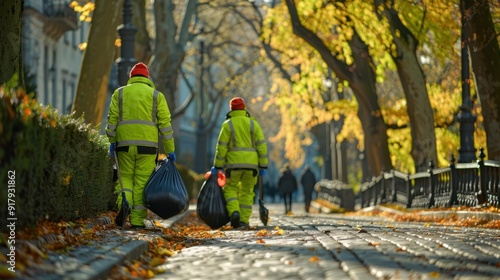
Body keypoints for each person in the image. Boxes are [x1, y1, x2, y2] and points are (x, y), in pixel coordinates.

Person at [106, 62, 175, 229]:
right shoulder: (156, 96)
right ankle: (137, 221)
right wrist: (170, 150)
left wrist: (112, 140)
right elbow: (165, 125)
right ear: (147, 78)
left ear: (131, 77)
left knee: (126, 179)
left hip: (124, 145)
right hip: (148, 147)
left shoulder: (120, 93)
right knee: (142, 182)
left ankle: (125, 205)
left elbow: (112, 119)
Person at [211, 97, 268, 229]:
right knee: (247, 192)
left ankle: (234, 212)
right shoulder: (253, 124)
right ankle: (243, 220)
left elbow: (221, 147)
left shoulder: (228, 124)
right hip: (252, 166)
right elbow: (262, 145)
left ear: (231, 109)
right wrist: (263, 165)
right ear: (244, 108)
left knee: (230, 188)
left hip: (233, 165)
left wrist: (218, 165)